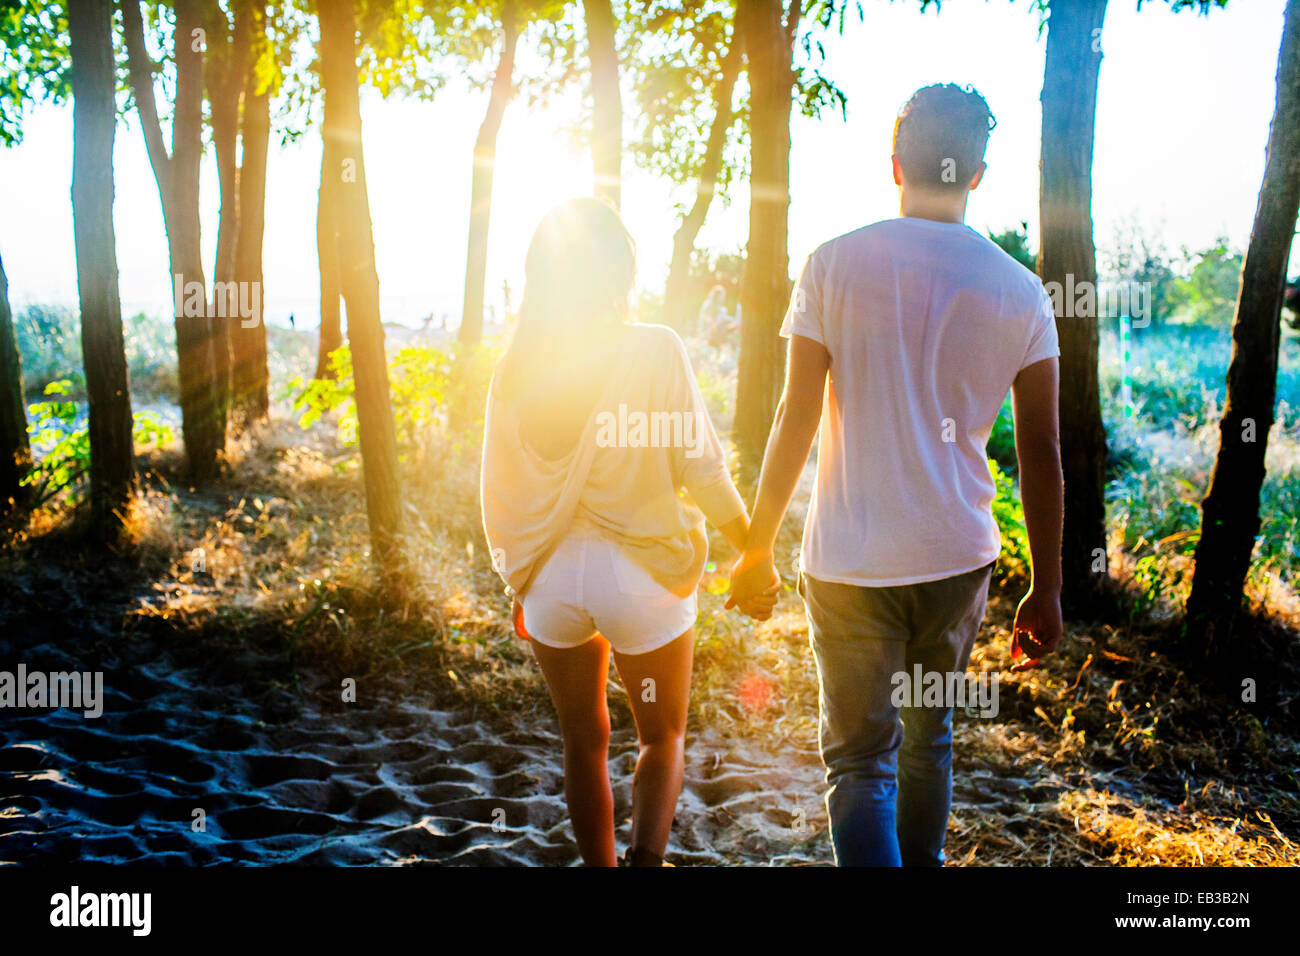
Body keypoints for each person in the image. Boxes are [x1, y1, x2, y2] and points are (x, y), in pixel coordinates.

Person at [727, 84, 1065, 866]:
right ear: (977, 174)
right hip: (955, 557)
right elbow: (1041, 452)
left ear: (894, 164)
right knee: (929, 737)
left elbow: (795, 417)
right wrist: (1046, 585)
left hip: (849, 560)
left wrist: (755, 546)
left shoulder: (833, 263)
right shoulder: (1020, 290)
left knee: (858, 760)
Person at [481, 198, 777, 867]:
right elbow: (701, 467)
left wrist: (521, 576)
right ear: (620, 272)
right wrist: (753, 552)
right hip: (641, 581)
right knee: (661, 735)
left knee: (582, 741)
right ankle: (646, 860)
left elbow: (499, 490)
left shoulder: (516, 368)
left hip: (552, 583)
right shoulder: (652, 348)